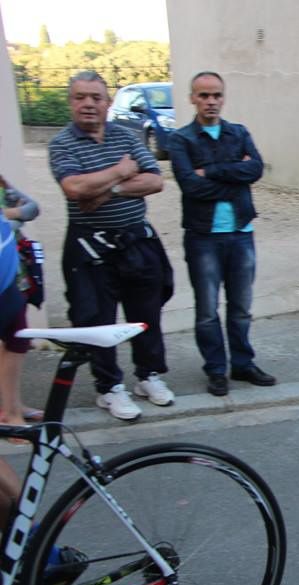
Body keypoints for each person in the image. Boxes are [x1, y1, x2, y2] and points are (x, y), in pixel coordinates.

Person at [48, 71, 174, 421]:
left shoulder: (125, 135)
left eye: (96, 97)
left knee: (145, 315)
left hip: (136, 241)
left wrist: (108, 188)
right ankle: (109, 389)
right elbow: (74, 189)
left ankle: (148, 376)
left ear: (107, 102)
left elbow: (154, 180)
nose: (88, 104)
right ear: (71, 102)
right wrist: (121, 171)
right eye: (80, 97)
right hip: (90, 248)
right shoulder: (61, 144)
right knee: (98, 321)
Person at [168, 71, 276, 397]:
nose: (211, 101)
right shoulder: (181, 140)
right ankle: (216, 369)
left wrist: (212, 171)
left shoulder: (238, 132)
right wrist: (234, 175)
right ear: (192, 98)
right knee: (206, 310)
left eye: (216, 95)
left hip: (241, 232)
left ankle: (242, 363)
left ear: (223, 98)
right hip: (203, 237)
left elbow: (255, 169)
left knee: (241, 306)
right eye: (204, 95)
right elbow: (190, 184)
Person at [0, 175, 42, 424]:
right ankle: (12, 414)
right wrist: (10, 217)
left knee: (17, 341)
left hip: (11, 280)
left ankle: (13, 406)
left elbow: (32, 208)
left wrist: (6, 214)